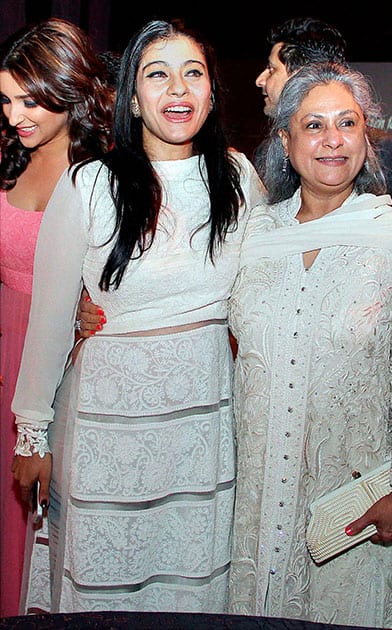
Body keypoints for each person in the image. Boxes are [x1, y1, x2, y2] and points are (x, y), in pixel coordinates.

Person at [10, 17, 265, 613]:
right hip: (105, 427)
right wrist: (31, 435)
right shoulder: (89, 184)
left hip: (204, 429)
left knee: (193, 587)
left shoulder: (238, 177)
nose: (178, 90)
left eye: (193, 74)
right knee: (104, 587)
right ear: (131, 95)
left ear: (211, 91)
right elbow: (49, 321)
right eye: (158, 75)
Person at [227, 61, 392, 629]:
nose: (332, 140)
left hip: (351, 490)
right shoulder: (256, 235)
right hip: (257, 484)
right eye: (314, 124)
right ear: (285, 139)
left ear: (365, 138)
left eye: (347, 124)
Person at [0, 17, 113, 616]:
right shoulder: (6, 159)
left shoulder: (111, 174)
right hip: (3, 353)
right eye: (6, 100)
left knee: (59, 519)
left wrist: (101, 309)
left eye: (30, 99)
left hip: (70, 366)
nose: (16, 115)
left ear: (68, 90)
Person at [253, 17, 392, 212]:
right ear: (284, 142)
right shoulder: (265, 153)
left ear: (301, 75)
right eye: (314, 126)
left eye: (272, 69)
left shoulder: (383, 150)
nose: (260, 80)